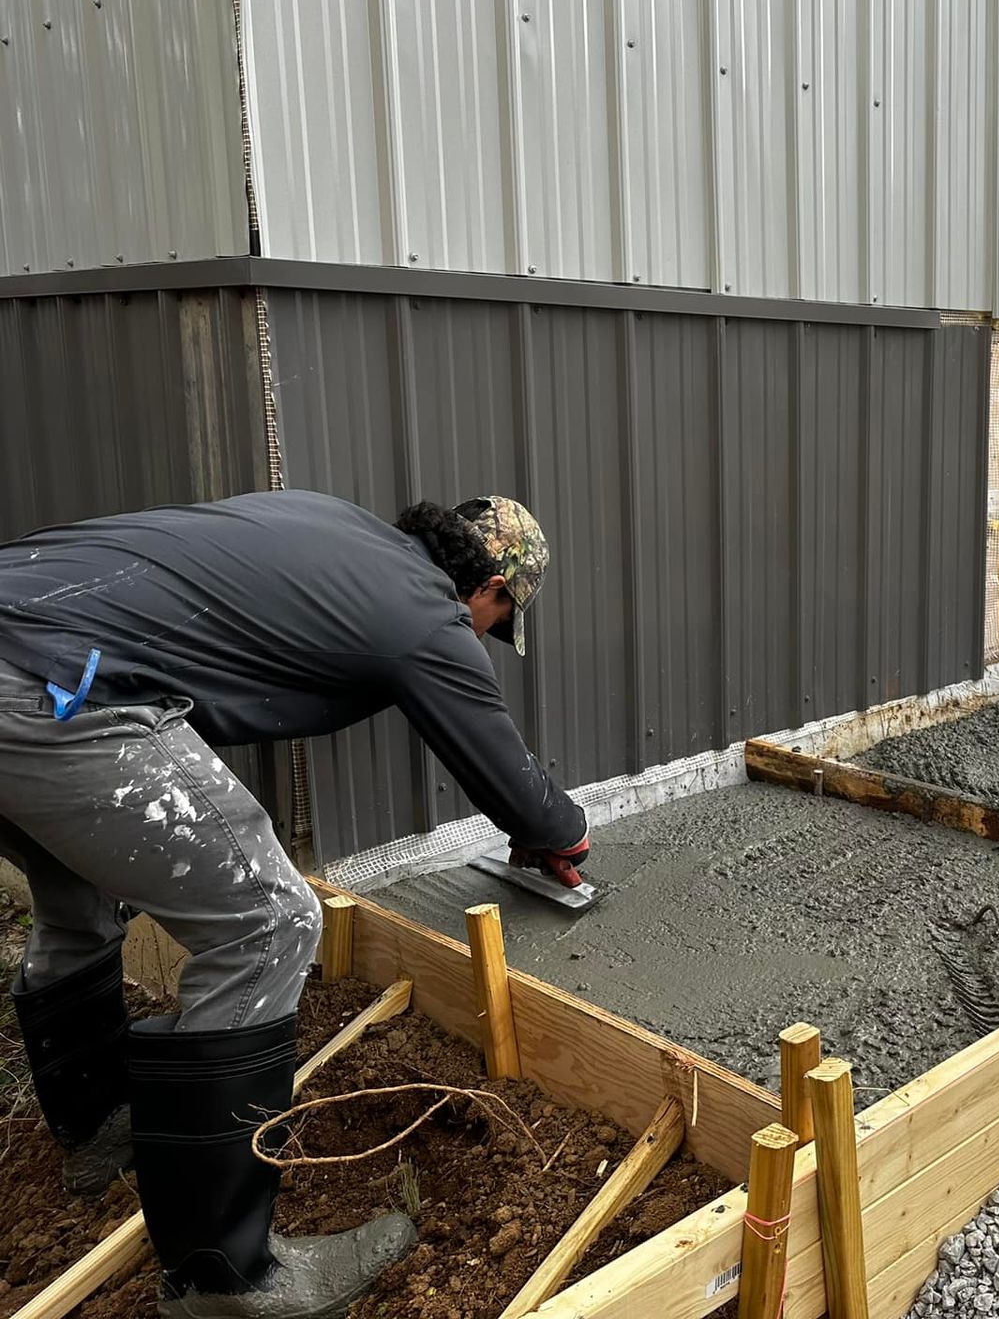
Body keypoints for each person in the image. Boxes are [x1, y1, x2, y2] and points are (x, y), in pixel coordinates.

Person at [0, 491, 590, 1318]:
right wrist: (564, 833)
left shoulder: (339, 527)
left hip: (20, 631)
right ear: (489, 587)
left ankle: (99, 1129)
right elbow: (517, 789)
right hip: (50, 684)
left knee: (78, 901)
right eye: (498, 618)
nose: (486, 634)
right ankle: (227, 1281)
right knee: (271, 922)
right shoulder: (426, 613)